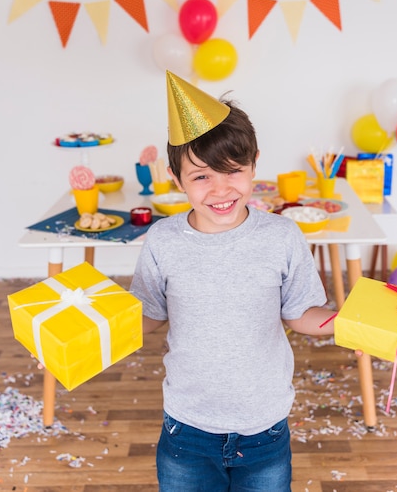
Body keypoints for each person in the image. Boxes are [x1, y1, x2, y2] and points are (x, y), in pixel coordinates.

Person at [130, 71, 336, 492]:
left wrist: (354, 320)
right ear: (175, 178)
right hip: (186, 429)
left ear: (254, 162)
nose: (220, 190)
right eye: (201, 176)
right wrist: (78, 336)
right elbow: (147, 317)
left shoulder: (282, 237)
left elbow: (300, 316)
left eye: (233, 171)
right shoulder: (163, 240)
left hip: (264, 429)